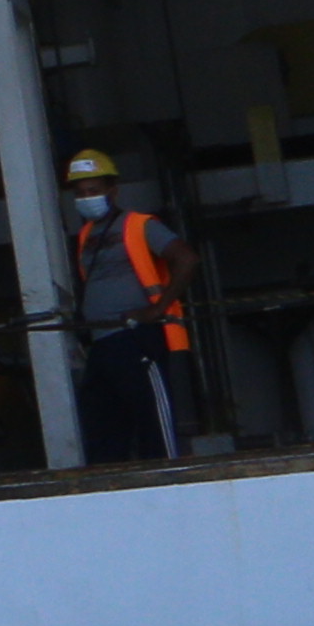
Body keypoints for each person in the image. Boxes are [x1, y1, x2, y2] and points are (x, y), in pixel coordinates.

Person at [64, 148, 200, 466]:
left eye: (93, 191)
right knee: (104, 429)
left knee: (154, 427)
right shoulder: (86, 235)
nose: (86, 198)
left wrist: (157, 309)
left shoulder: (139, 224)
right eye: (80, 193)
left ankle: (167, 481)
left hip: (135, 338)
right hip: (101, 344)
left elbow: (187, 259)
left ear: (113, 191)